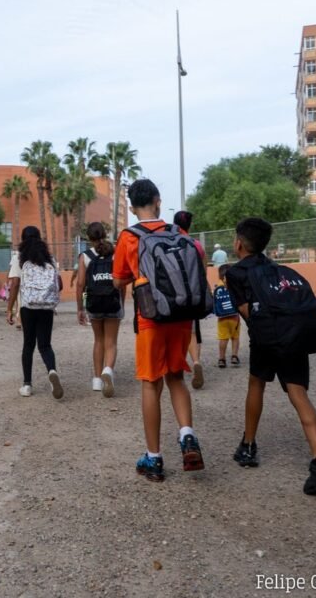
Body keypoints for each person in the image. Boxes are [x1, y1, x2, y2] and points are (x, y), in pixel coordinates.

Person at [225, 217, 316, 495]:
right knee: (298, 393)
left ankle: (248, 446)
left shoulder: (236, 273)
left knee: (257, 384)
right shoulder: (278, 269)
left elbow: (246, 313)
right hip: (295, 335)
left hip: (268, 339)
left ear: (239, 243)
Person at [113, 179, 205, 483]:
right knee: (176, 376)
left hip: (151, 319)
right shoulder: (179, 232)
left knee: (151, 383)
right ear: (157, 200)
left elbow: (118, 280)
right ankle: (187, 436)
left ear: (130, 206)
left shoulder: (129, 237)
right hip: (182, 317)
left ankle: (153, 459)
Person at [6, 226, 63, 399]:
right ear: (39, 238)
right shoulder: (49, 258)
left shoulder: (19, 258)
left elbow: (15, 283)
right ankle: (52, 370)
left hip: (27, 306)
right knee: (45, 345)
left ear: (23, 239)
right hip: (46, 306)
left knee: (28, 345)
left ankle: (27, 385)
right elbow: (58, 285)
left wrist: (9, 309)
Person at [76, 222, 124, 398]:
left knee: (98, 341)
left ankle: (97, 380)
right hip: (113, 302)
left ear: (89, 238)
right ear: (104, 234)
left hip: (94, 303)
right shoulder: (115, 253)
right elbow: (121, 280)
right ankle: (108, 371)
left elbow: (80, 284)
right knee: (111, 342)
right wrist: (122, 301)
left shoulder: (85, 256)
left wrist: (80, 309)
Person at [173, 210, 206, 390]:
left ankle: (177, 367)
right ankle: (195, 362)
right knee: (192, 331)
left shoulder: (169, 242)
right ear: (189, 225)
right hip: (193, 294)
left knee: (175, 330)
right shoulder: (196, 245)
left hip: (174, 294)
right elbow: (202, 271)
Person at [213, 264, 240, 368]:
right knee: (235, 337)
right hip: (234, 317)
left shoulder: (217, 287)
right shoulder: (234, 286)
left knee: (223, 339)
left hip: (222, 319)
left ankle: (222, 359)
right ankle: (234, 356)